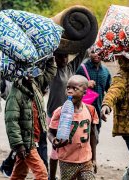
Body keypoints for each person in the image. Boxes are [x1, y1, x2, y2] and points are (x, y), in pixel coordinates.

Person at [4, 57, 56, 179]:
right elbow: (11, 122)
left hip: (34, 138)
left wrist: (50, 59)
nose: (32, 74)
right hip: (26, 143)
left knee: (19, 174)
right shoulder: (15, 94)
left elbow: (49, 74)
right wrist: (19, 145)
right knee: (42, 174)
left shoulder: (35, 84)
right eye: (28, 71)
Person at [48, 75, 98, 180]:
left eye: (75, 89)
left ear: (84, 92)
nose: (70, 91)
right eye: (68, 88)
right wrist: (54, 141)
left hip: (86, 160)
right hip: (67, 160)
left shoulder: (90, 110)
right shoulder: (60, 111)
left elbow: (93, 135)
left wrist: (94, 158)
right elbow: (50, 132)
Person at [47, 50, 87, 180]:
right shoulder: (51, 70)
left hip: (69, 116)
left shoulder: (71, 68)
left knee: (68, 146)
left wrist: (85, 38)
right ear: (55, 57)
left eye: (65, 56)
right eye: (60, 56)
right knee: (56, 148)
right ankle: (51, 176)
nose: (63, 59)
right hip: (54, 114)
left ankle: (70, 171)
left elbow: (81, 53)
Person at [76, 50, 111, 133]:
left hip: (98, 112)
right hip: (83, 111)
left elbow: (110, 91)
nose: (96, 54)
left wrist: (107, 107)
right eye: (93, 52)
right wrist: (85, 84)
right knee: (82, 136)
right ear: (89, 53)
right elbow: (71, 87)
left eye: (99, 52)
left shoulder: (105, 71)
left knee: (96, 136)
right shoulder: (81, 68)